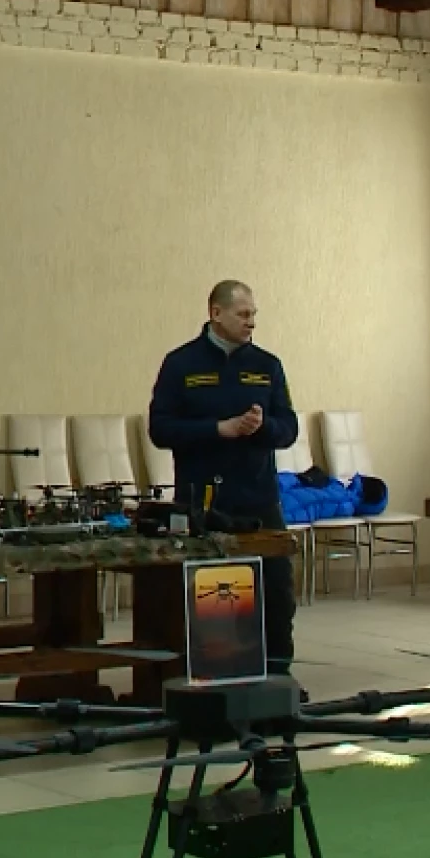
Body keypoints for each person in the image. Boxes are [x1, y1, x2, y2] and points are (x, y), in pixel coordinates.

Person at [147, 278, 300, 665]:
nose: (251, 322)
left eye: (254, 315)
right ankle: (213, 679)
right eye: (243, 314)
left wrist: (261, 426)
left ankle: (278, 676)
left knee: (277, 597)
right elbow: (160, 430)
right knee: (213, 600)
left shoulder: (267, 365)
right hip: (203, 504)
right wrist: (218, 430)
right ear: (216, 313)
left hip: (258, 501)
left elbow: (289, 429)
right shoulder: (181, 364)